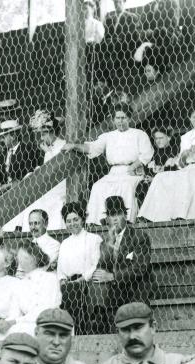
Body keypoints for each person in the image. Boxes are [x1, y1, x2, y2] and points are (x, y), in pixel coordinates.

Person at [65, 103, 153, 224]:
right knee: (98, 186)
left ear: (129, 118)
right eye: (117, 118)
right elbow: (92, 148)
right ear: (113, 119)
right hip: (114, 172)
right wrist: (74, 146)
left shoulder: (139, 134)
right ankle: (96, 222)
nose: (120, 121)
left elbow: (147, 153)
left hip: (132, 171)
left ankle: (127, 220)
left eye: (123, 118)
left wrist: (134, 166)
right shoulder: (108, 136)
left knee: (126, 186)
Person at [139, 109, 195, 223]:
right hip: (189, 168)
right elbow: (181, 165)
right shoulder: (186, 136)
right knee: (160, 177)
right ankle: (148, 216)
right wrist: (184, 156)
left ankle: (183, 216)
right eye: (194, 117)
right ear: (190, 119)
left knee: (192, 177)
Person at [89, 196, 151, 333]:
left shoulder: (139, 237)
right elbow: (101, 266)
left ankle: (101, 317)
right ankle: (98, 317)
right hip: (113, 292)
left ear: (125, 215)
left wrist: (113, 276)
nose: (115, 219)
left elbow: (140, 268)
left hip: (135, 288)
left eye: (118, 214)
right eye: (111, 215)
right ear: (107, 219)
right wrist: (110, 244)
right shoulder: (106, 240)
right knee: (96, 280)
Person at [0, 242, 61, 340]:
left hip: (47, 324)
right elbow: (14, 312)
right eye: (19, 257)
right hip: (23, 324)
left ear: (34, 258)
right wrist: (5, 323)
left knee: (23, 332)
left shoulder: (50, 278)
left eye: (23, 256)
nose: (19, 259)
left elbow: (45, 311)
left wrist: (14, 322)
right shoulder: (20, 284)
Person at [57, 202, 103, 335]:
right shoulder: (65, 243)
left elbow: (96, 263)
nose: (72, 224)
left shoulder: (94, 239)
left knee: (74, 294)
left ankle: (80, 333)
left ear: (82, 219)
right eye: (68, 221)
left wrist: (82, 279)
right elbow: (60, 270)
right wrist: (62, 281)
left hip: (87, 283)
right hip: (68, 284)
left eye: (75, 219)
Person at [0, 119, 44, 196]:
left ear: (13, 136)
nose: (1, 140)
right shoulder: (3, 154)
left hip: (23, 194)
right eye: (0, 137)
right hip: (5, 196)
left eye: (3, 137)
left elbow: (30, 176)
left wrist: (8, 186)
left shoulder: (27, 151)